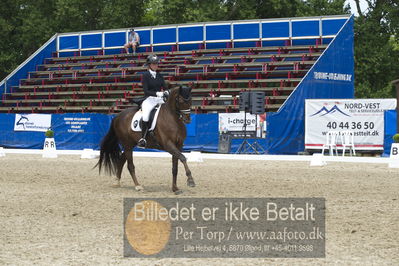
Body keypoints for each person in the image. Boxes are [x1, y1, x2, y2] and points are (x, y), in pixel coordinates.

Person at [138, 54, 169, 148]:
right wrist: (157, 93)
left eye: (157, 63)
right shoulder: (145, 76)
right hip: (149, 99)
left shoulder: (159, 75)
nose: (156, 65)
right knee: (146, 116)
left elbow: (165, 87)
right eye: (154, 64)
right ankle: (143, 138)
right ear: (149, 65)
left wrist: (167, 91)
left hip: (159, 99)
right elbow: (146, 91)